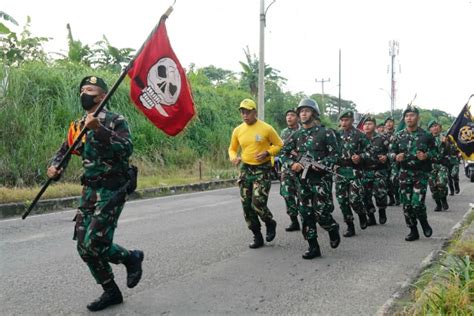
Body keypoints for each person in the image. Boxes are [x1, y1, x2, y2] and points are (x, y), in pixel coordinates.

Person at [47, 76, 143, 311]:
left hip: (112, 189)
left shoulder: (115, 120)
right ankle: (111, 291)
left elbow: (126, 148)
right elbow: (64, 151)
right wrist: (54, 167)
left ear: (102, 95)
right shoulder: (78, 125)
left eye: (89, 89)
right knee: (83, 246)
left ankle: (130, 257)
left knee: (96, 243)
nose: (84, 93)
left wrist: (99, 130)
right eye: (81, 89)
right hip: (89, 191)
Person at [281, 98, 341, 259]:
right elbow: (283, 153)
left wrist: (322, 164)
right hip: (302, 181)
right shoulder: (296, 135)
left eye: (306, 111)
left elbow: (336, 155)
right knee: (305, 214)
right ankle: (313, 246)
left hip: (321, 181)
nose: (303, 114)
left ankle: (332, 227)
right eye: (301, 111)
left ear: (314, 113)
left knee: (322, 214)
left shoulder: (326, 133)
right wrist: (292, 164)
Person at [228, 99, 283, 249]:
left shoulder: (266, 129)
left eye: (247, 112)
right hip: (246, 169)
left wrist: (267, 152)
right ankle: (257, 235)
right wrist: (234, 157)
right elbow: (232, 148)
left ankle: (270, 222)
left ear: (254, 112)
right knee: (246, 205)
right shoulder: (238, 130)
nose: (245, 115)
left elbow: (279, 144)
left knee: (258, 202)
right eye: (242, 112)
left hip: (262, 169)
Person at [389, 105, 435, 241]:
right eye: (407, 116)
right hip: (404, 173)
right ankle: (413, 230)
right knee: (407, 204)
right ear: (404, 118)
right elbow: (391, 152)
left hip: (420, 173)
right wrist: (395, 157)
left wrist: (426, 155)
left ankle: (424, 222)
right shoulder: (398, 136)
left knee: (417, 203)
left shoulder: (426, 136)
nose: (409, 118)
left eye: (412, 115)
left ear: (418, 118)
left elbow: (436, 153)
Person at [335, 110, 370, 237]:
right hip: (340, 172)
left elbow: (370, 151)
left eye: (347, 120)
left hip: (355, 171)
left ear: (352, 121)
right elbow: (330, 151)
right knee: (342, 200)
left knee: (354, 199)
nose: (344, 123)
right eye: (342, 120)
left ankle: (361, 214)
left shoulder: (360, 135)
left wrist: (360, 157)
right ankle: (350, 225)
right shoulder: (336, 135)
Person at [361, 116, 389, 225]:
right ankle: (371, 216)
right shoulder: (360, 139)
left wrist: (386, 157)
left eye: (370, 124)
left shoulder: (382, 139)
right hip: (365, 171)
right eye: (365, 124)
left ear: (375, 126)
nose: (367, 126)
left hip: (379, 171)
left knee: (380, 194)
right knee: (365, 195)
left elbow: (391, 151)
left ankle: (382, 211)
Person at [279, 108, 301, 231]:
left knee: (302, 195)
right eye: (287, 115)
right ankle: (294, 220)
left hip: (301, 169)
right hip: (287, 169)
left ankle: (307, 219)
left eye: (292, 115)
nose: (289, 118)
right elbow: (280, 149)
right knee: (287, 195)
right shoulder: (284, 132)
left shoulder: (303, 131)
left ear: (297, 117)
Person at [427, 120, 450, 211]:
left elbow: (452, 151)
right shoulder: (427, 139)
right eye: (432, 126)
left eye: (436, 126)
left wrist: (446, 143)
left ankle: (444, 199)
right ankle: (438, 204)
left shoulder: (445, 137)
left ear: (439, 127)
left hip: (442, 165)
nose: (435, 128)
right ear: (430, 129)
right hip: (431, 165)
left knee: (441, 183)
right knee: (433, 186)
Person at [384, 116, 400, 206]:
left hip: (395, 161)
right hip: (385, 161)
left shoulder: (398, 134)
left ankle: (397, 196)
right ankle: (391, 198)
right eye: (387, 122)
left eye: (391, 122)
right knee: (386, 181)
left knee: (394, 180)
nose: (389, 124)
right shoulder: (382, 136)